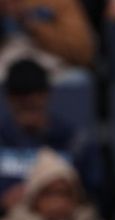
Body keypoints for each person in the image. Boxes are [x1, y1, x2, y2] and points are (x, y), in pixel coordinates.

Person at [0, 58, 102, 210]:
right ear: (9, 99)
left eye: (34, 98)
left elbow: (96, 195)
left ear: (47, 95)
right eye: (20, 99)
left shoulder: (74, 141)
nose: (28, 102)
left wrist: (64, 199)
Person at [0, 0, 95, 81]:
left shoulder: (60, 3)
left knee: (76, 78)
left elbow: (82, 53)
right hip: (7, 59)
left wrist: (29, 21)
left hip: (53, 62)